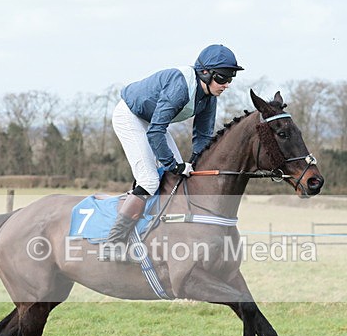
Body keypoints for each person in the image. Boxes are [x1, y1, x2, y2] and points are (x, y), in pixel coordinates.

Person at [101, 44, 244, 261]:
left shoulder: (209, 97)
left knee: (179, 178)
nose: (227, 85)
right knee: (149, 181)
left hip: (151, 121)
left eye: (230, 79)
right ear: (205, 73)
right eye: (223, 78)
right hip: (130, 116)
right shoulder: (180, 87)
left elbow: (203, 137)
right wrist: (173, 164)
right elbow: (157, 131)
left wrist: (196, 163)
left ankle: (162, 233)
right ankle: (113, 243)